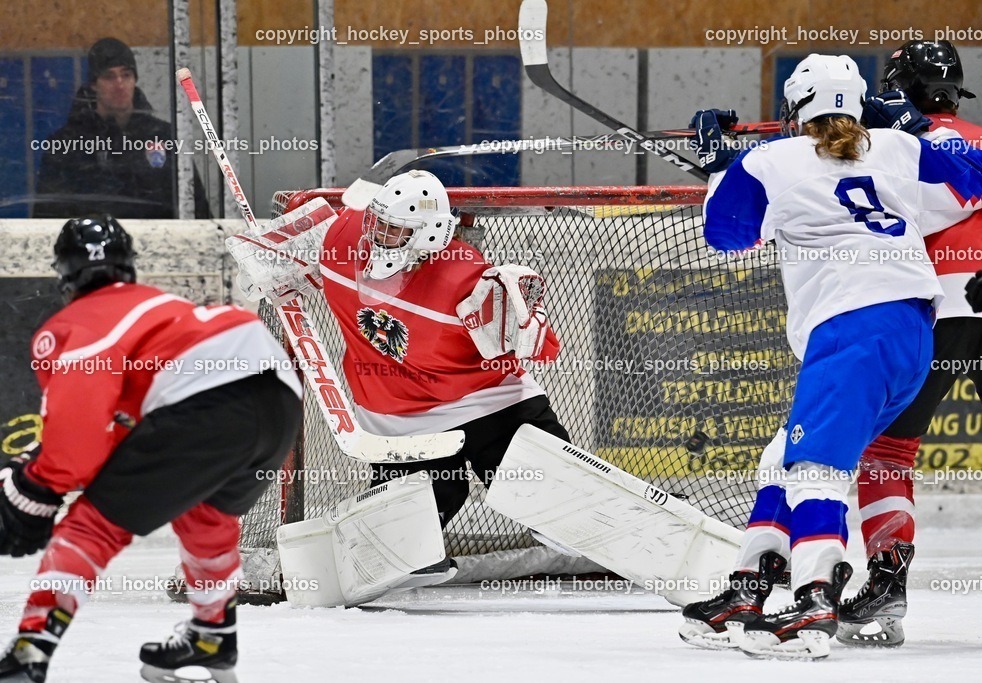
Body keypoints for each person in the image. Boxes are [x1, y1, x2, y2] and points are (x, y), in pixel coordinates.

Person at [677, 54, 982, 659]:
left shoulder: (769, 161)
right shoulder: (897, 149)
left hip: (850, 330)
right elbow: (980, 179)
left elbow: (727, 232)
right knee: (787, 454)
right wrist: (906, 123)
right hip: (911, 333)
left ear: (794, 108)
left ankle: (815, 599)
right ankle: (749, 587)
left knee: (815, 469)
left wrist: (721, 164)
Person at [0, 216, 302, 682]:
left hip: (207, 402)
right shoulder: (161, 305)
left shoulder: (68, 325)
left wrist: (35, 487)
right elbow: (129, 437)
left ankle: (29, 653)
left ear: (64, 274)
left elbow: (77, 443)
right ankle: (212, 633)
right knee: (206, 513)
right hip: (277, 398)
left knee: (91, 527)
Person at [836, 40, 982, 647]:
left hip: (936, 303)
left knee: (889, 448)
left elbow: (887, 214)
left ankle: (887, 587)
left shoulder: (894, 143)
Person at [317, 170, 569, 581]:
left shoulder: (464, 279)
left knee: (546, 491)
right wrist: (274, 252)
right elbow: (324, 219)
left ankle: (571, 513)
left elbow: (539, 349)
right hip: (398, 417)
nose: (377, 237)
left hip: (484, 400)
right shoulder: (345, 235)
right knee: (408, 533)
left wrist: (529, 326)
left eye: (395, 230)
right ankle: (401, 551)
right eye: (377, 222)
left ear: (428, 236)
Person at [32, 38, 209, 219]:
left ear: (135, 80)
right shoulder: (66, 144)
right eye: (109, 77)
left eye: (126, 75)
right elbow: (47, 217)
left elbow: (196, 207)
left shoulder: (163, 136)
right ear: (94, 85)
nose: (119, 84)